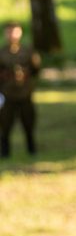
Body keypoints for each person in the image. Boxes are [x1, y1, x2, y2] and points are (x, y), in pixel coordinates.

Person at [0, 21, 41, 158]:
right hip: (7, 93)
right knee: (5, 123)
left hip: (25, 92)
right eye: (9, 31)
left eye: (15, 31)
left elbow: (36, 70)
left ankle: (32, 150)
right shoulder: (2, 53)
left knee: (28, 121)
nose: (12, 34)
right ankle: (5, 152)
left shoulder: (28, 51)